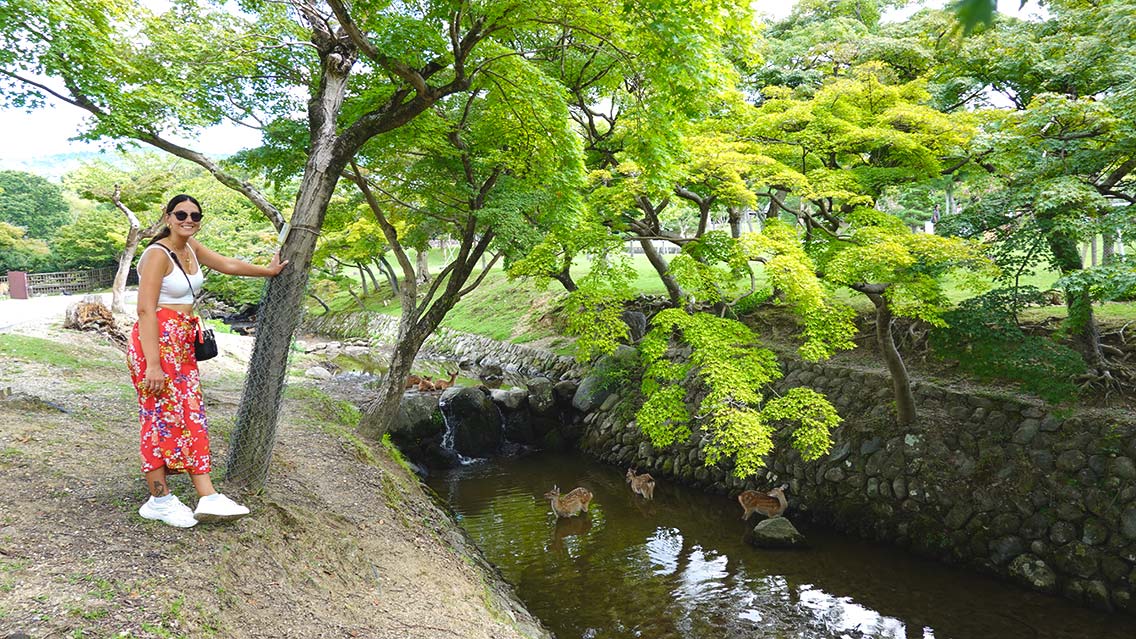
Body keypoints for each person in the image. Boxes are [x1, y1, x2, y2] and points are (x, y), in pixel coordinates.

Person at [128, 194, 288, 528]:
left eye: (195, 215)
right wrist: (153, 365)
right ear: (168, 216)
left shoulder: (190, 248)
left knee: (190, 415)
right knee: (158, 417)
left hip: (183, 340)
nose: (189, 220)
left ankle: (207, 494)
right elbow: (145, 310)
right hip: (156, 341)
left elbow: (228, 264)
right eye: (181, 214)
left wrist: (268, 271)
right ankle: (159, 498)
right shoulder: (158, 254)